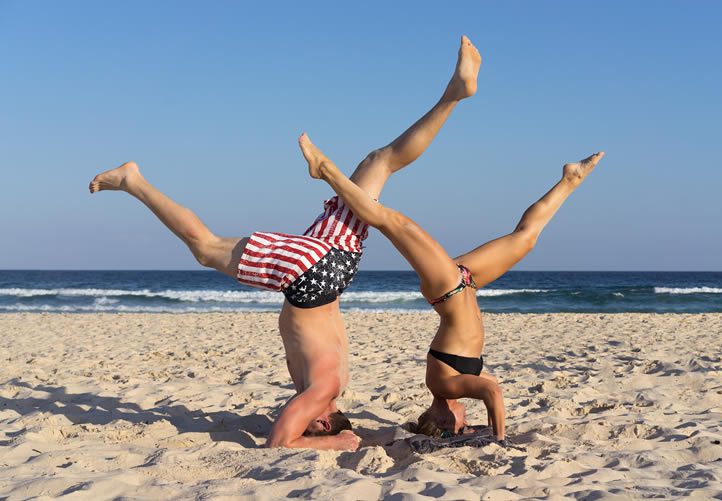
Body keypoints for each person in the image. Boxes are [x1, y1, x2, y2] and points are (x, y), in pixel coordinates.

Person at [88, 36, 482, 450]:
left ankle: (452, 96)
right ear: (322, 422)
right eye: (308, 424)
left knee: (378, 163)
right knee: (205, 248)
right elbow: (279, 443)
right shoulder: (321, 391)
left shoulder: (336, 384)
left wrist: (372, 438)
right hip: (310, 274)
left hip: (338, 263)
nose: (296, 415)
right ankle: (134, 181)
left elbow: (368, 434)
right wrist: (334, 445)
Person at [299, 132, 604, 441]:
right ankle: (570, 180)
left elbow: (492, 391)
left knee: (390, 221)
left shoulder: (445, 386)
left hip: (446, 287)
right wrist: (481, 430)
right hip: (467, 283)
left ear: (441, 419)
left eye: (459, 424)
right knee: (525, 238)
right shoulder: (458, 385)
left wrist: (498, 439)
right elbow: (487, 391)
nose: (464, 419)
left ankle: (324, 169)